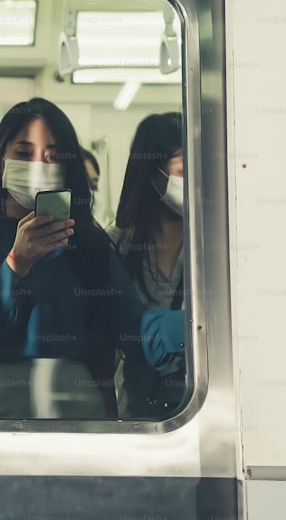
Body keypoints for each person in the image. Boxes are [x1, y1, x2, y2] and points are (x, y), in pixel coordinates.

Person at [0, 98, 183, 419]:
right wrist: (16, 264)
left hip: (74, 409)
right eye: (24, 153)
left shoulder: (88, 242)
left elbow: (131, 327)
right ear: (0, 159)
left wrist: (194, 328)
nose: (39, 166)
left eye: (54, 156)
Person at [108, 112, 187, 418]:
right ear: (152, 174)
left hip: (206, 414)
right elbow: (115, 342)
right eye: (184, 170)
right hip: (139, 417)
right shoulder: (116, 246)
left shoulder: (217, 249)